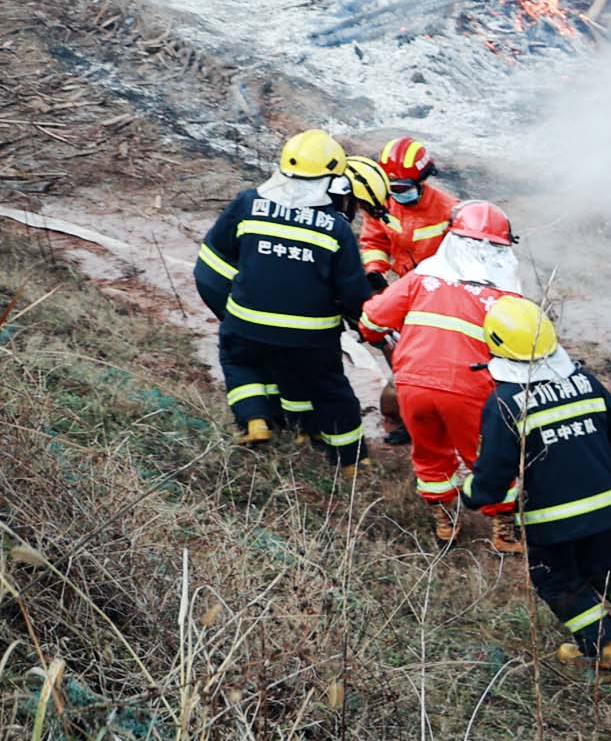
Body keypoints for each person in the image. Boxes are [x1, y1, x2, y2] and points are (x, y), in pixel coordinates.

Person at [463, 295, 611, 670]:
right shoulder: (584, 382)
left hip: (552, 525)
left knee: (559, 583)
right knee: (604, 565)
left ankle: (602, 648)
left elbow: (493, 475)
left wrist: (471, 493)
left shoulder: (506, 403)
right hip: (606, 512)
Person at [194, 129, 374, 466]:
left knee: (240, 362)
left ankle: (255, 421)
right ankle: (350, 462)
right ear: (332, 180)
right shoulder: (336, 229)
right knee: (329, 390)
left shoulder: (247, 204)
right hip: (312, 338)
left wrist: (232, 310)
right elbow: (353, 293)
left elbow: (211, 264)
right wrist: (366, 326)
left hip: (247, 324)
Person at [357, 199, 519, 543]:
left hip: (412, 387)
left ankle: (445, 522)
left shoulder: (423, 277)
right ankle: (503, 531)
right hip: (470, 389)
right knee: (488, 459)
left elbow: (372, 320)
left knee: (429, 455)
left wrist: (377, 333)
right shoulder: (505, 297)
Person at [363, 135, 455, 277]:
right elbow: (374, 242)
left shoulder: (449, 211)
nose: (395, 193)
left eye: (402, 188)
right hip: (404, 279)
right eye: (390, 187)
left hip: (437, 282)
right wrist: (375, 271)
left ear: (421, 182)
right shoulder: (382, 204)